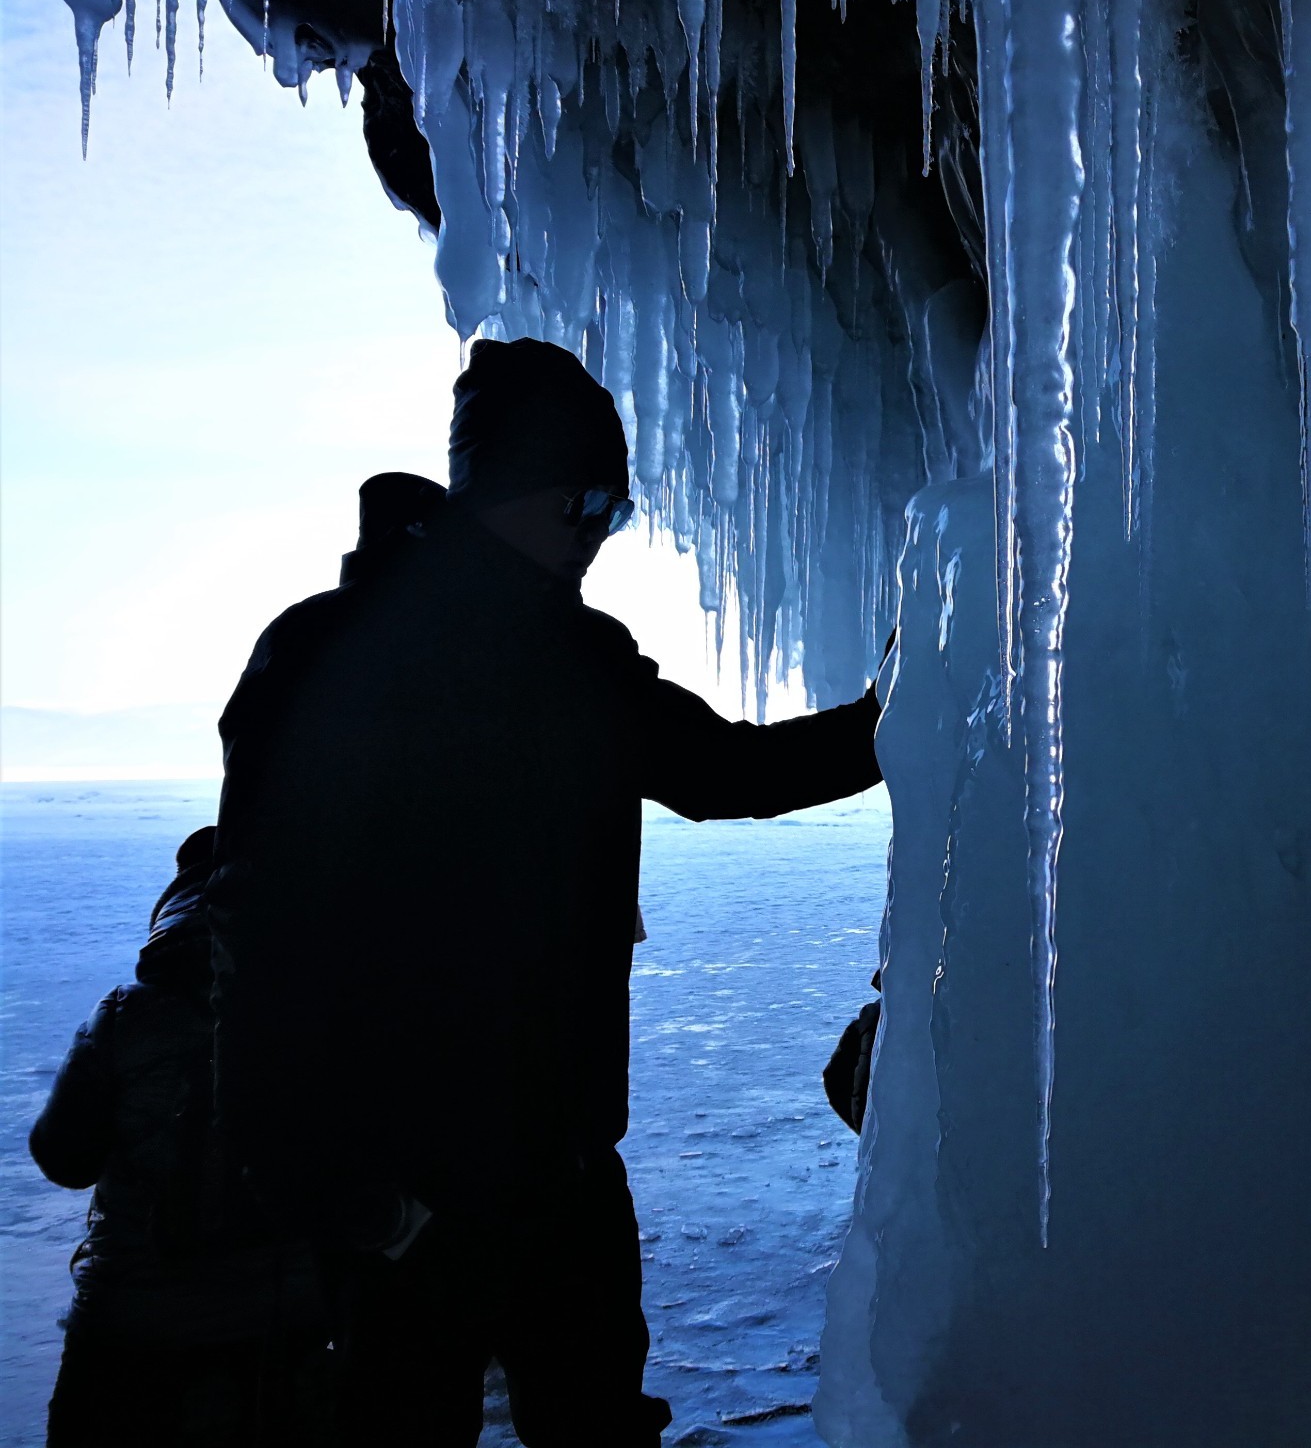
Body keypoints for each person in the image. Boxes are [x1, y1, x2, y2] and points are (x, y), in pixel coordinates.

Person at [208, 338, 884, 1447]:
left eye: (611, 510)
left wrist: (896, 707)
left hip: (555, 1168)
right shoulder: (329, 659)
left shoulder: (573, 660)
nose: (591, 533)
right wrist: (332, 1191)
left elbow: (729, 775)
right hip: (399, 1188)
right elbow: (261, 930)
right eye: (574, 500)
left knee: (594, 1423)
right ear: (491, 491)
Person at [30, 827, 333, 1448]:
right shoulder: (328, 1020)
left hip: (133, 1318)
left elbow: (63, 1158)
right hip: (286, 1321)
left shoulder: (123, 1017)